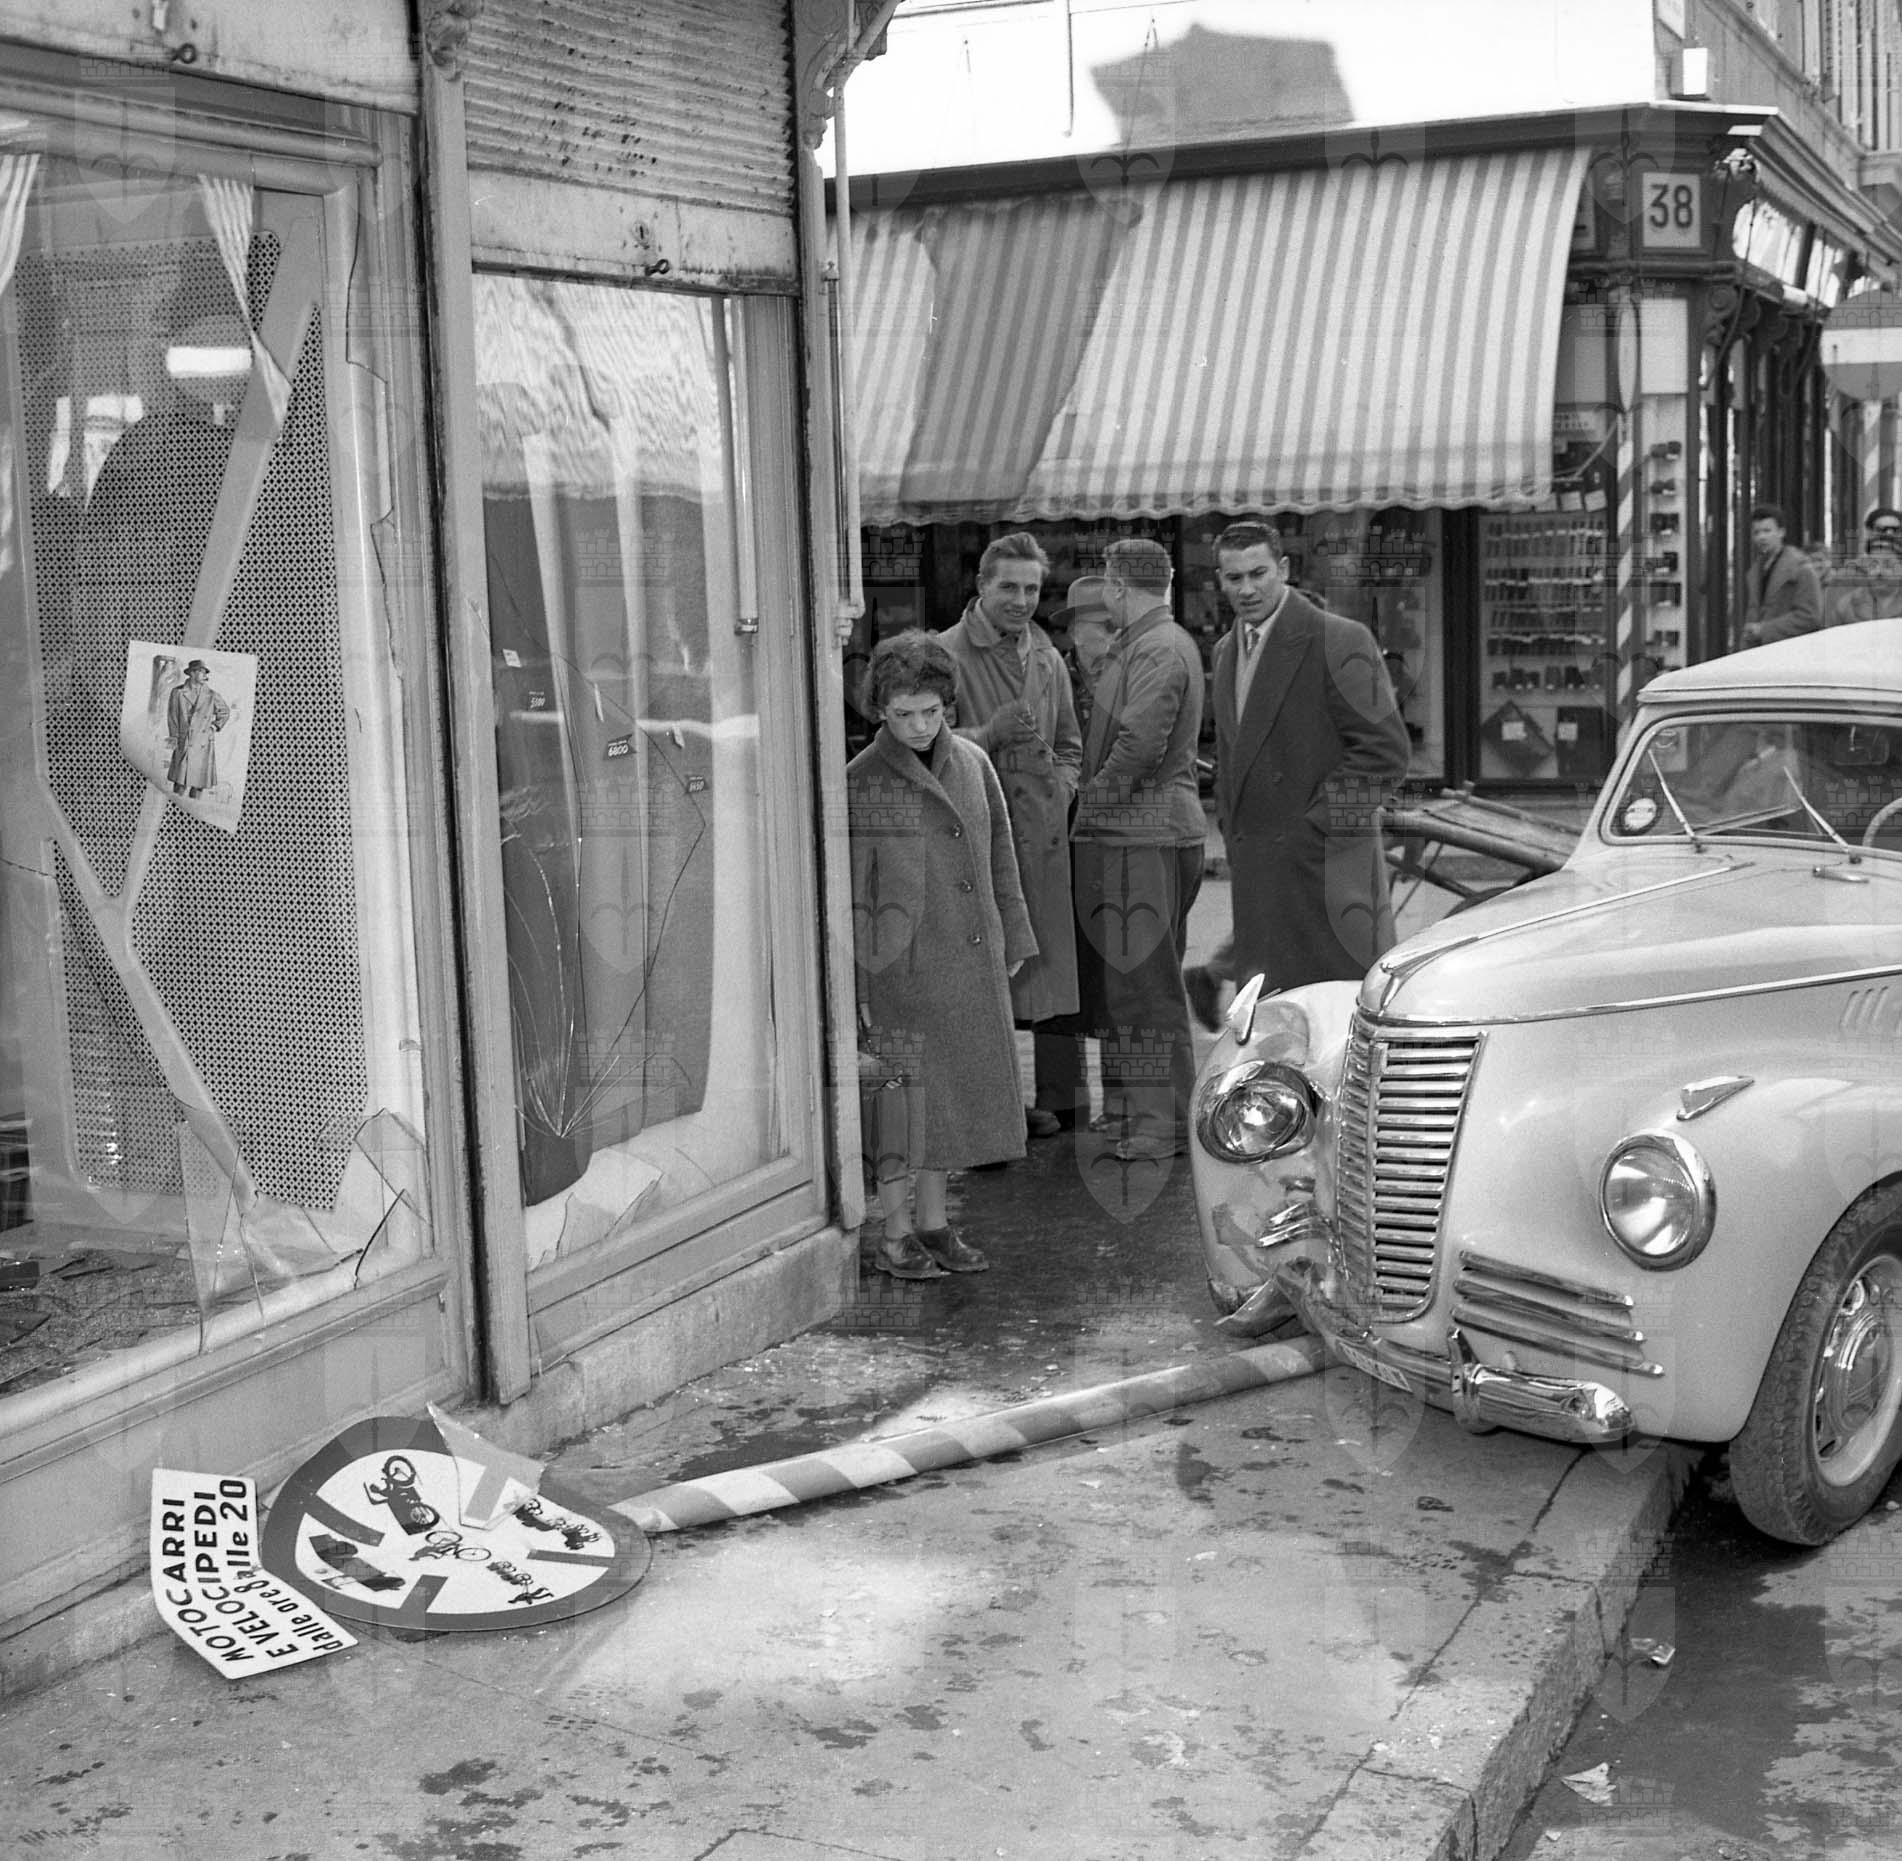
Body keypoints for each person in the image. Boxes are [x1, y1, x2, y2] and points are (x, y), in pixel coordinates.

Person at [848, 630, 1037, 1278]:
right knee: (902, 1106)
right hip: (900, 974)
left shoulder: (974, 764)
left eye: (931, 711)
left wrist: (1013, 935)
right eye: (904, 714)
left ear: (947, 703)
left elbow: (1002, 856)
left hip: (968, 959)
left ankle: (933, 1224)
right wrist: (857, 987)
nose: (920, 726)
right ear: (880, 710)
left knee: (950, 1105)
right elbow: (850, 893)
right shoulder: (861, 781)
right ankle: (895, 1232)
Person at [1185, 521, 1410, 1024]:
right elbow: (1233, 757)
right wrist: (1232, 822)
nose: (1247, 589)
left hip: (1325, 873)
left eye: (1259, 573)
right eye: (1234, 577)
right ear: (1219, 580)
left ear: (1283, 569)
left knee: (1336, 1023)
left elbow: (1386, 754)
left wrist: (1315, 830)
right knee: (1278, 1026)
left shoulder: (1340, 639)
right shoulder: (1225, 652)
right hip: (1261, 872)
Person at [939, 533, 1084, 1137]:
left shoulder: (1048, 656)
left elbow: (1071, 743)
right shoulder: (944, 653)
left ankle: (1065, 1101)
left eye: (1031, 588)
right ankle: (994, 1114)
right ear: (981, 586)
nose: (1022, 601)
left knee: (1053, 972)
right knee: (986, 974)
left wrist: (1063, 788)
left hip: (1045, 839)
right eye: (1008, 587)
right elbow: (923, 744)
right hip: (981, 836)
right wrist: (988, 734)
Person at [1071, 538, 1205, 1162]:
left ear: (1118, 586)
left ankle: (1164, 1125)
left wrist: (1089, 805)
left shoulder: (1155, 647)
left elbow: (1139, 747)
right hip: (1145, 835)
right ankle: (1138, 1113)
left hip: (1142, 838)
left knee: (1146, 988)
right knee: (1131, 984)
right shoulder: (1153, 643)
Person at [1738, 503, 1821, 649]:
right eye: (1756, 532)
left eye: (1767, 531)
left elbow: (1810, 617)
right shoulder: (1756, 571)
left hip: (1791, 652)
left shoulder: (1801, 568)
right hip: (1761, 653)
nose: (1761, 537)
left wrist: (1764, 630)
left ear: (1781, 532)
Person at [166, 658, 231, 797]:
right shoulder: (177, 692)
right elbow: (172, 716)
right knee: (180, 783)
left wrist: (214, 726)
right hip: (184, 740)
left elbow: (225, 712)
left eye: (205, 672)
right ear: (192, 673)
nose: (205, 675)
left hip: (203, 742)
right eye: (201, 672)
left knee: (198, 784)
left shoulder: (211, 695)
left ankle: (194, 803)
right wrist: (174, 737)